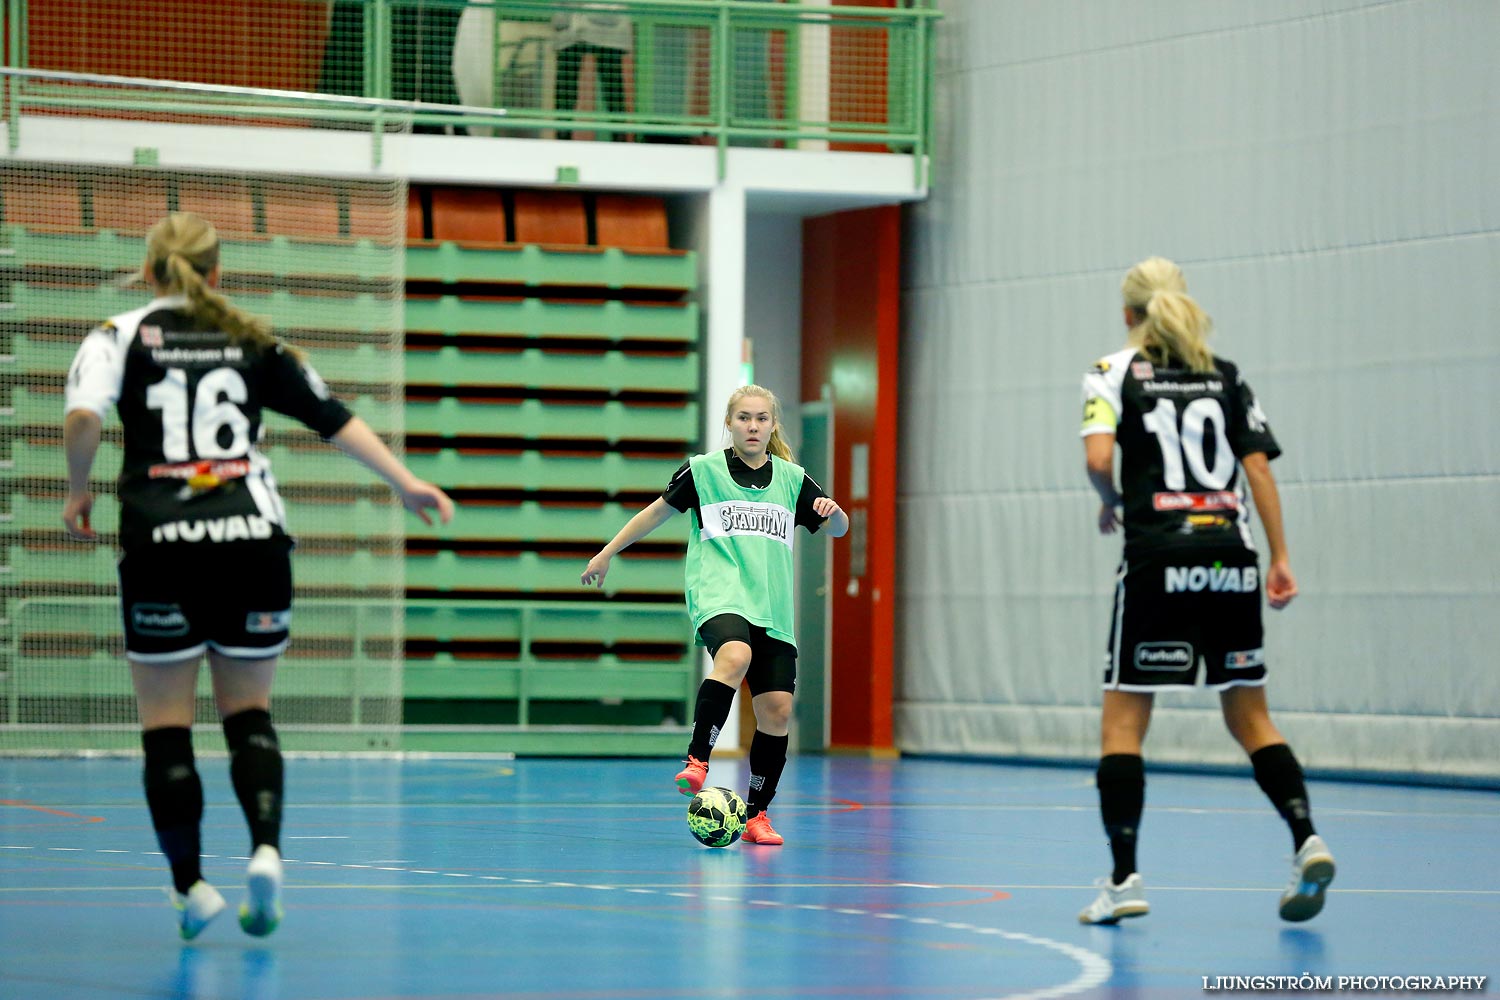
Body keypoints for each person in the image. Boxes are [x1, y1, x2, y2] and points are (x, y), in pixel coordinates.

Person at [62, 213, 454, 940]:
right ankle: (267, 852)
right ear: (217, 273)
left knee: (166, 731)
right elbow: (332, 418)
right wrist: (405, 483)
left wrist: (78, 487)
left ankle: (191, 888)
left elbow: (84, 417)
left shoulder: (116, 336)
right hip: (253, 542)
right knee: (249, 716)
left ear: (150, 271)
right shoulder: (254, 338)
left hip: (161, 544)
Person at [1076, 256, 1334, 925]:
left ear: (1129, 314)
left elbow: (1099, 459)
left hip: (1159, 555)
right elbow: (1258, 470)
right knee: (1251, 717)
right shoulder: (1225, 375)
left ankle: (1124, 878)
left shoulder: (1112, 371)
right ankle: (1306, 837)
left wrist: (1112, 503)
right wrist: (1279, 557)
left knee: (1124, 723)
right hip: (1231, 558)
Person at [581, 385, 848, 845]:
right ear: (730, 423)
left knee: (778, 712)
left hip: (772, 608)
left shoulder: (793, 480)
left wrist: (835, 511)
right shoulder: (702, 472)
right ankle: (698, 759)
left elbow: (839, 530)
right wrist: (607, 553)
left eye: (761, 419)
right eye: (744, 418)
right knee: (735, 654)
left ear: (772, 426)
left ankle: (757, 816)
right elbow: (653, 514)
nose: (752, 426)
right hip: (719, 595)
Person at [552, 8, 633, 141]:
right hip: (570, 27)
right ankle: (562, 137)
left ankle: (619, 140)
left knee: (612, 90)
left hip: (607, 26)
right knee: (565, 89)